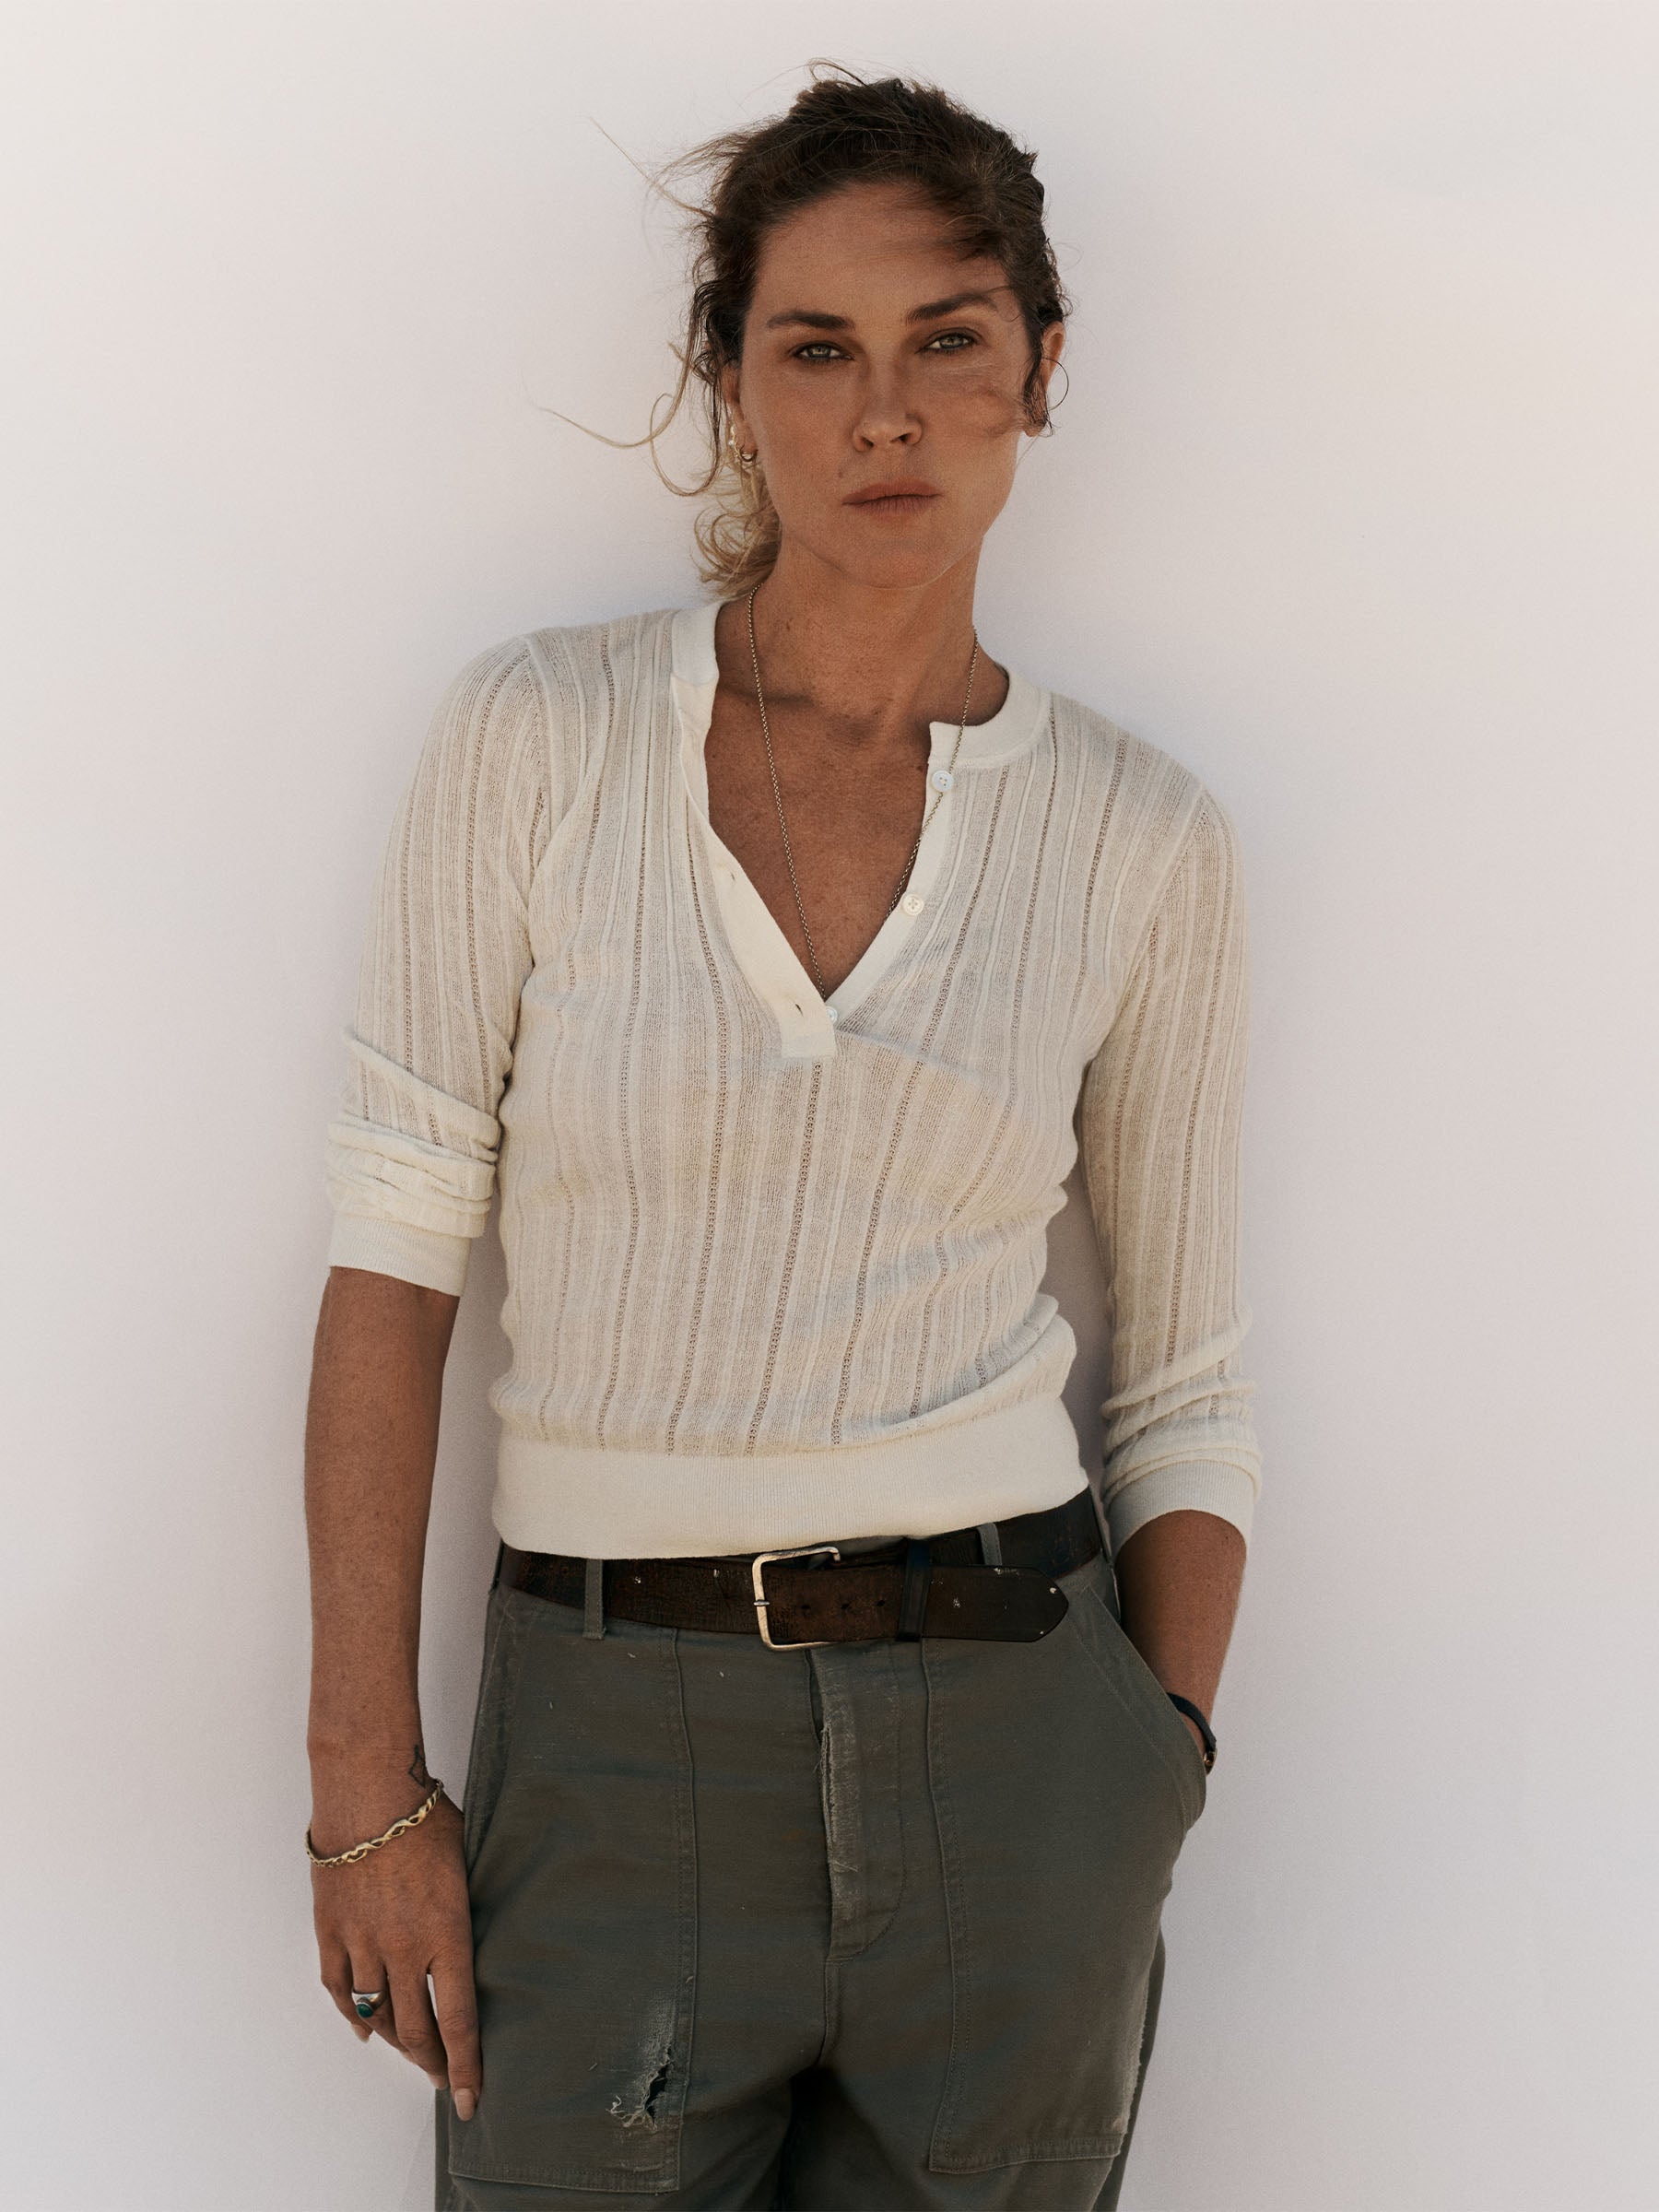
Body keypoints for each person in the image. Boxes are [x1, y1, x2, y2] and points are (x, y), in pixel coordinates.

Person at [304, 63, 1258, 2212]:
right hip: (611, 1752)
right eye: (816, 348)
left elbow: (1188, 1383)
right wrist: (365, 1780)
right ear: (729, 381)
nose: (886, 413)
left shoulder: (1142, 838)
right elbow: (393, 1265)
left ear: (1042, 368)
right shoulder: (540, 739)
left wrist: (1152, 1774)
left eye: (950, 342)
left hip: (1021, 1762)